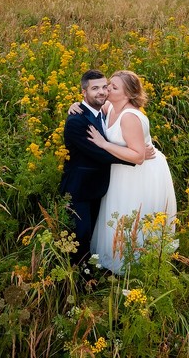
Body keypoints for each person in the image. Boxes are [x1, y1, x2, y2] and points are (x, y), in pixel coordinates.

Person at [59, 69, 155, 268]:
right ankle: (77, 281)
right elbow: (99, 153)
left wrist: (136, 153)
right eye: (95, 89)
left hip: (102, 187)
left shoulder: (107, 109)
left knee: (99, 233)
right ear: (84, 92)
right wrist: (137, 157)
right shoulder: (77, 121)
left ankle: (99, 272)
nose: (103, 92)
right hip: (80, 189)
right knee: (81, 236)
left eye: (106, 86)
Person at [85, 70, 177, 275]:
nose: (107, 89)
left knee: (132, 216)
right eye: (109, 84)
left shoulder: (129, 117)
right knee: (119, 214)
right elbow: (93, 103)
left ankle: (138, 268)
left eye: (113, 87)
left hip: (139, 173)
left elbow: (138, 156)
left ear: (128, 95)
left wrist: (103, 144)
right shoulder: (112, 107)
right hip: (123, 171)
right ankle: (118, 264)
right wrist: (76, 105)